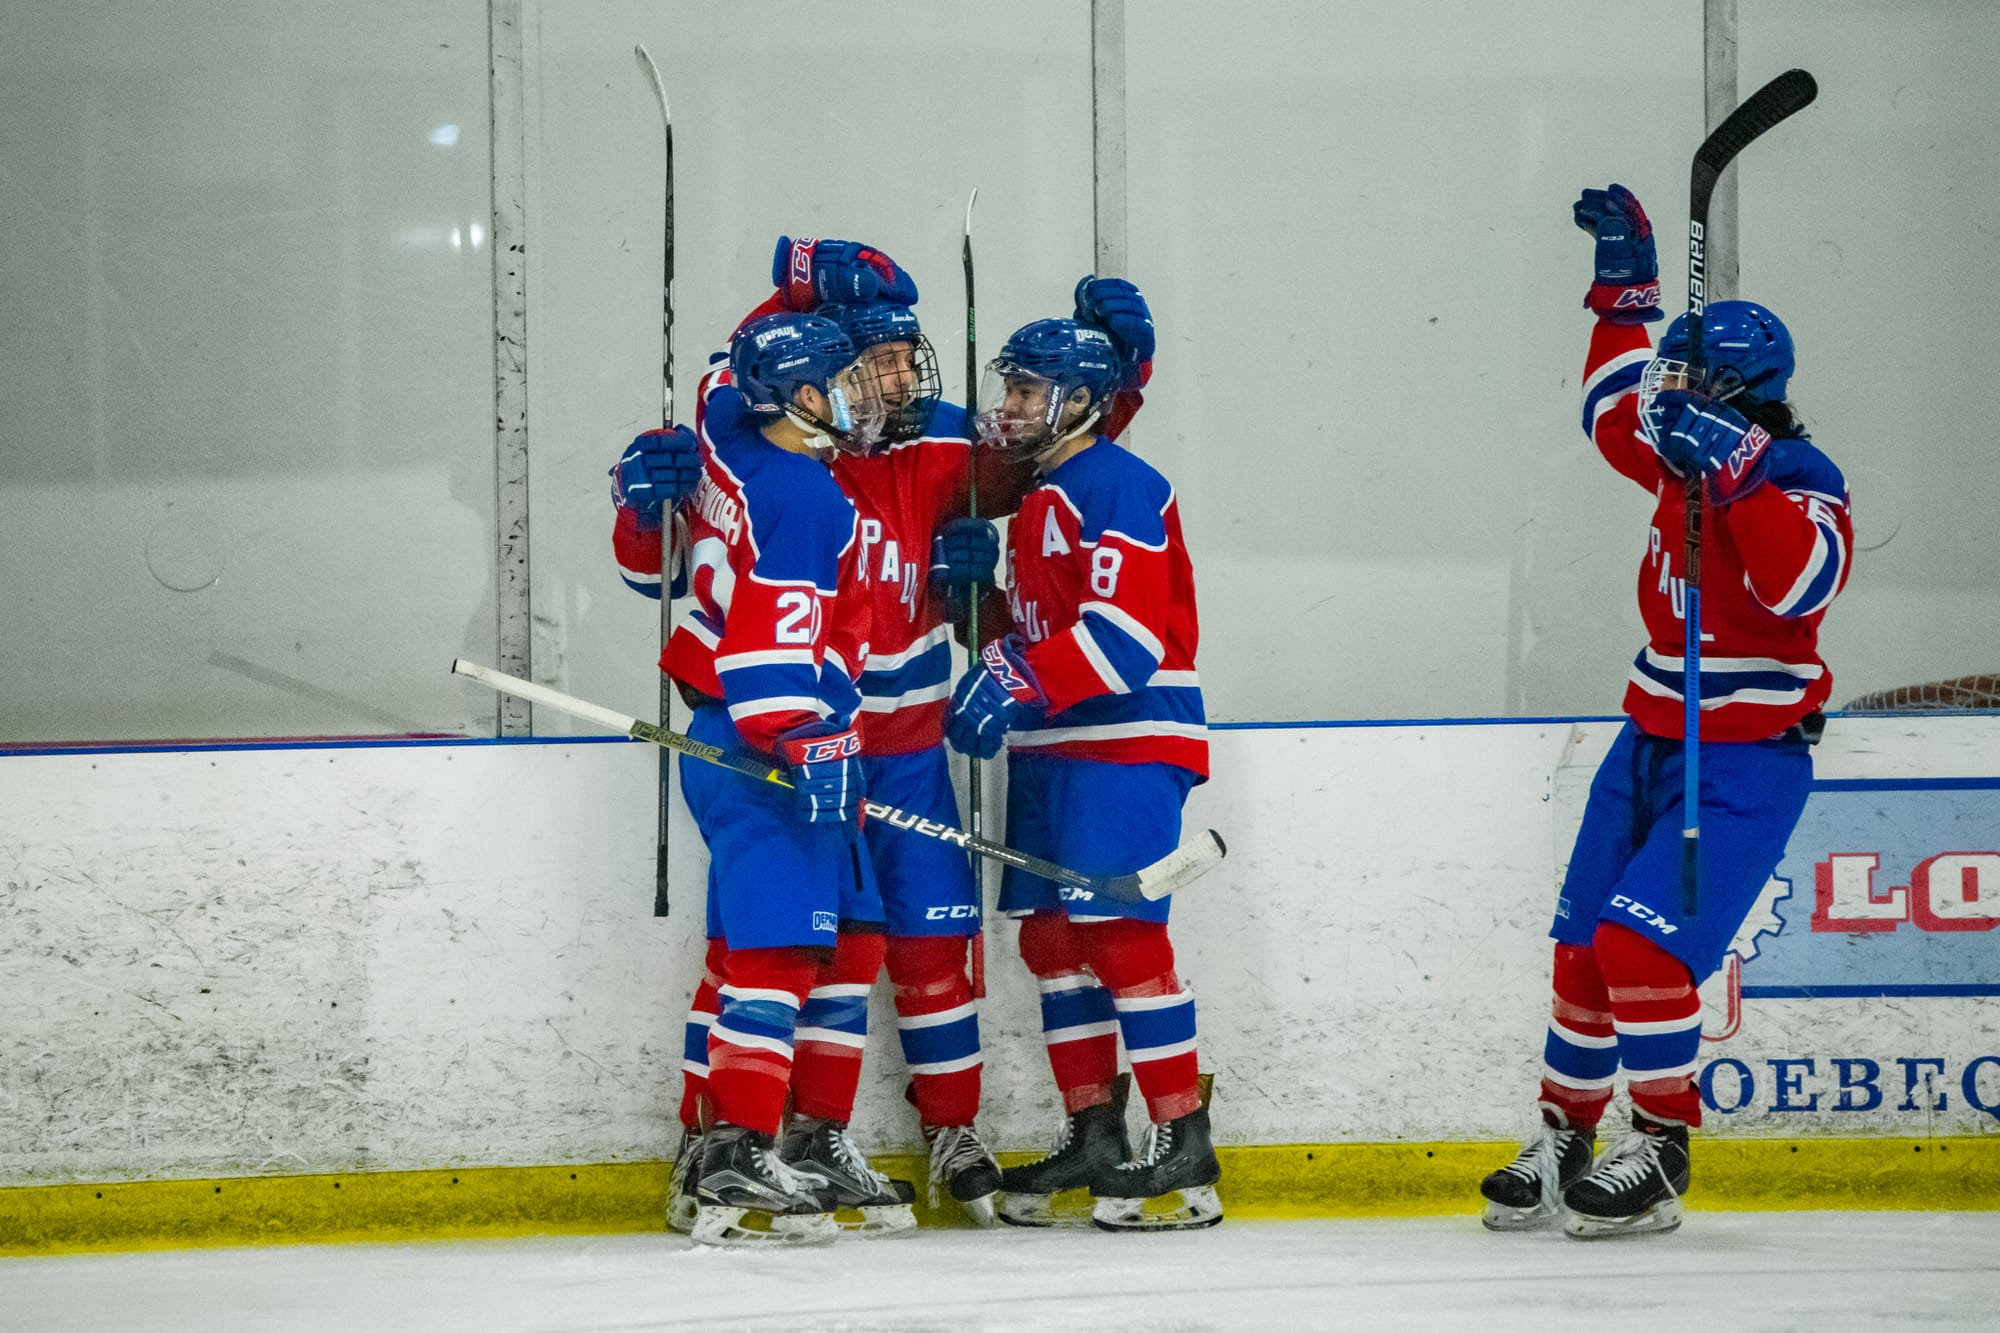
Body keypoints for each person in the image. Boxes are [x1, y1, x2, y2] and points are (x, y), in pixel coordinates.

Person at [617, 237, 1045, 1228]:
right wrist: (642, 511)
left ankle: (837, 1134)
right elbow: (670, 575)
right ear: (820, 379)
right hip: (785, 733)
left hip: (873, 738)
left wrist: (973, 586)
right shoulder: (771, 458)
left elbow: (1056, 446)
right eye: (872, 362)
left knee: (867, 942)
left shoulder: (923, 441)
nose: (895, 378)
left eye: (902, 359)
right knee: (761, 946)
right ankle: (719, 1144)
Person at [1479, 184, 1853, 1239]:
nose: (1666, 391)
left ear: (1740, 391)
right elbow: (1606, 405)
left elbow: (1800, 585)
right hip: (1646, 739)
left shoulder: (1789, 469)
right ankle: (1565, 1131)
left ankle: (1660, 1146)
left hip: (1742, 761)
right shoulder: (1675, 447)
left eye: (1688, 378)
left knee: (1642, 954)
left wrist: (1734, 476)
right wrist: (1623, 292)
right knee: (1580, 952)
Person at [937, 294, 1220, 1233]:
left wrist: (1015, 684)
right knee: (1052, 941)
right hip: (1056, 748)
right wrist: (969, 602)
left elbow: (1126, 638)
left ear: (1085, 401)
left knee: (1120, 934)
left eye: (1027, 388)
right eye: (1007, 385)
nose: (1008, 404)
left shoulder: (1118, 484)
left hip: (1129, 741)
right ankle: (1097, 1132)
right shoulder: (1028, 500)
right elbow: (1024, 635)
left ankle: (1184, 1145)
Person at [626, 308, 888, 1246]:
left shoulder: (732, 444)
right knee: (774, 954)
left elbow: (716, 380)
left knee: (846, 941)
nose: (867, 395)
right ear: (807, 396)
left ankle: (785, 1145)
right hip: (764, 741)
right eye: (849, 378)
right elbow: (772, 651)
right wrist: (807, 736)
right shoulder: (808, 495)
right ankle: (736, 1154)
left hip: (742, 740)